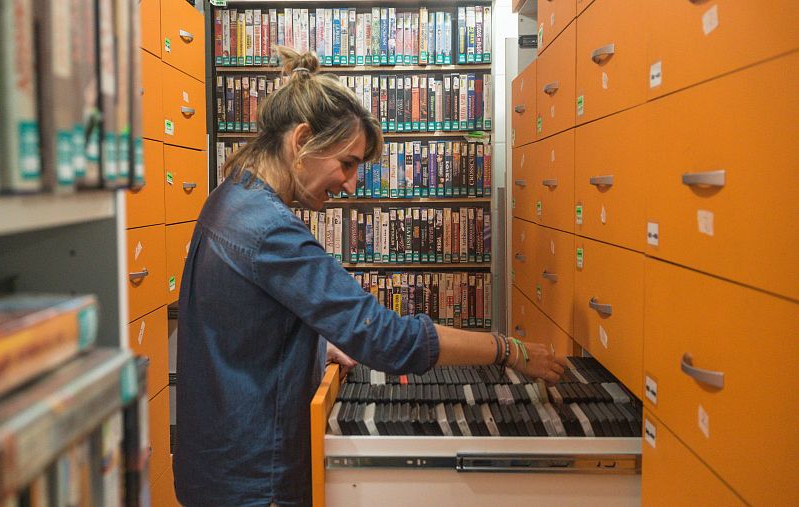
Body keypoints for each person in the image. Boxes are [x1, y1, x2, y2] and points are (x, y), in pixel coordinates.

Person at [174, 48, 566, 507]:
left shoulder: (230, 197)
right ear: (302, 141)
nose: (351, 184)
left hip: (216, 468)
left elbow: (240, 327)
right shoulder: (270, 231)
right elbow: (385, 338)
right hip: (256, 482)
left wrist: (314, 346)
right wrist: (507, 350)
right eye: (347, 163)